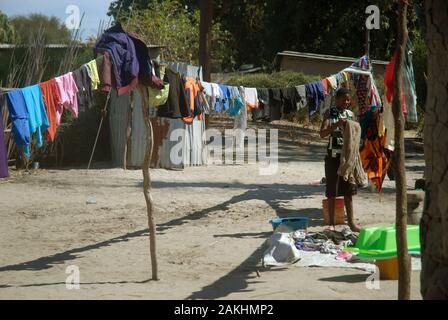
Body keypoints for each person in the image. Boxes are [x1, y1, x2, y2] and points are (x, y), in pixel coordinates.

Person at [320, 88, 361, 232]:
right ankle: (331, 223)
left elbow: (355, 134)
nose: (346, 102)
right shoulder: (329, 114)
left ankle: (351, 223)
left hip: (347, 158)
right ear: (336, 99)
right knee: (332, 190)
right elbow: (322, 134)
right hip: (332, 157)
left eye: (348, 99)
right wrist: (337, 124)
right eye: (343, 99)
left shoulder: (350, 114)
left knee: (348, 191)